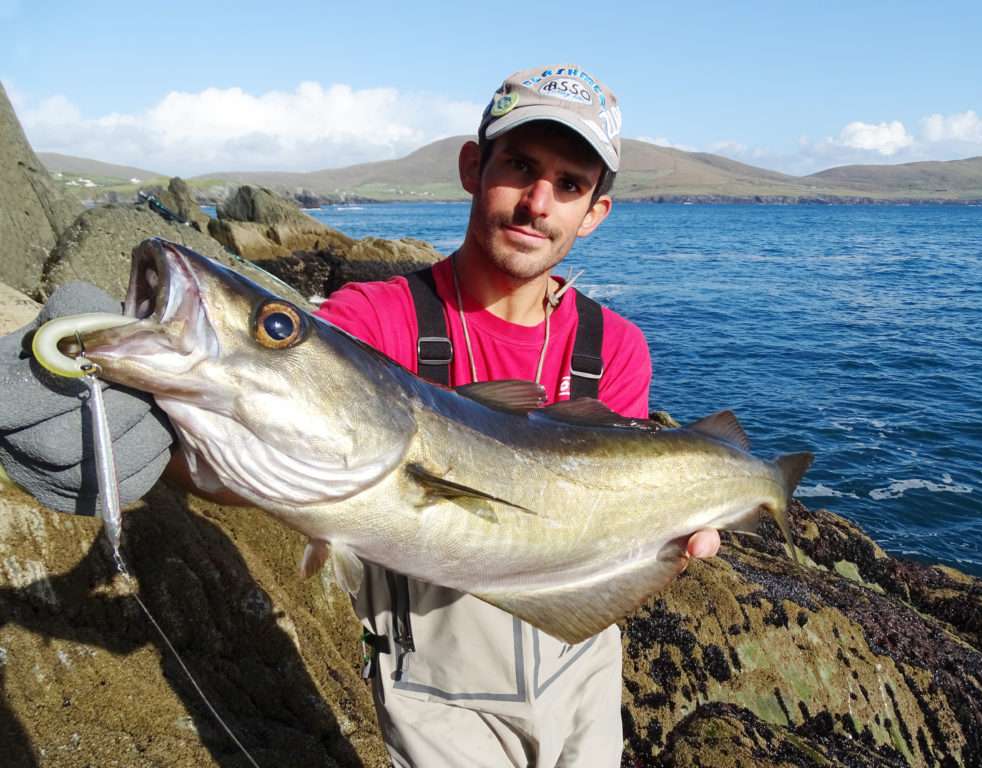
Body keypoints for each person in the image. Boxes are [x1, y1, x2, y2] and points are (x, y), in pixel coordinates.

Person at [0, 65, 721, 766]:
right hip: (440, 698)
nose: (538, 202)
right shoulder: (371, 320)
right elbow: (281, 451)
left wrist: (677, 526)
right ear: (473, 166)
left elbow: (614, 518)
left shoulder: (615, 348)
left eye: (569, 185)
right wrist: (138, 441)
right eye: (520, 166)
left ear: (595, 211)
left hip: (582, 671)